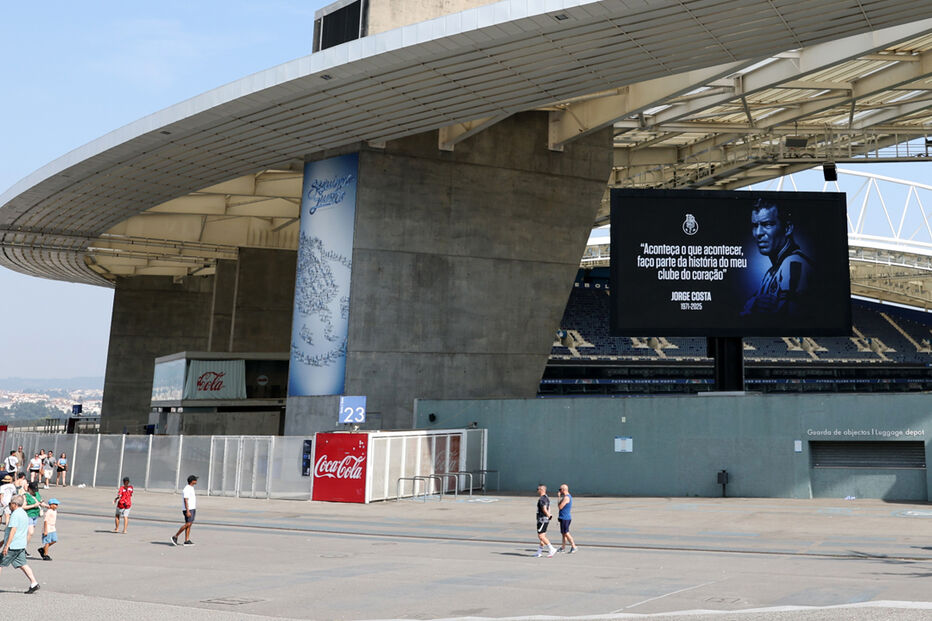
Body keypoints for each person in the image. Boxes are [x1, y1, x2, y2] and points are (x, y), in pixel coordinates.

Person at [741, 197, 814, 318]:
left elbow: (790, 320)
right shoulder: (771, 272)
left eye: (767, 224)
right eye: (755, 225)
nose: (758, 233)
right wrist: (752, 305)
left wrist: (752, 308)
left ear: (787, 228)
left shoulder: (794, 264)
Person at [0, 495, 40, 593]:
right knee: (23, 564)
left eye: (10, 504)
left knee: (0, 563)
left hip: (13, 545)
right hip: (21, 544)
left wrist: (6, 545)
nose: (9, 506)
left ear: (14, 504)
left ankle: (34, 583)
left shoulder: (15, 514)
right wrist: (2, 542)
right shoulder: (23, 513)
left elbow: (13, 530)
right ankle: (34, 583)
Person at [171, 475, 198, 546]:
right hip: (188, 509)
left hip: (192, 508)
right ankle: (175, 536)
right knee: (188, 524)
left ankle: (187, 540)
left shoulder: (191, 488)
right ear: (192, 481)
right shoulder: (187, 489)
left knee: (189, 524)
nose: (196, 481)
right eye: (195, 480)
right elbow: (185, 500)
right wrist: (188, 511)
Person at [22, 482, 45, 551]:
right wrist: (33, 505)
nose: (34, 492)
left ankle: (23, 548)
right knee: (30, 532)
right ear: (29, 489)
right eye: (33, 490)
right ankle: (23, 549)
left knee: (29, 533)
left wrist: (47, 506)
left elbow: (40, 502)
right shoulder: (25, 496)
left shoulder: (37, 494)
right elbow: (23, 507)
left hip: (35, 515)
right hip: (28, 515)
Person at [534, 484, 556, 558]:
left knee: (541, 536)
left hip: (542, 519)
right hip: (544, 519)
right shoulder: (546, 498)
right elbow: (548, 507)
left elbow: (544, 508)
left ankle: (551, 548)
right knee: (543, 536)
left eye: (538, 489)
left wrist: (548, 515)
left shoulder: (542, 499)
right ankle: (539, 552)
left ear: (542, 490)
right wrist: (549, 514)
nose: (537, 490)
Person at [557, 484, 578, 553]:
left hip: (565, 518)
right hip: (564, 517)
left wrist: (559, 497)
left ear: (563, 490)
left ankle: (574, 546)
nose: (560, 491)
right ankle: (563, 547)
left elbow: (560, 507)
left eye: (560, 490)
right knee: (563, 533)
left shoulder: (566, 497)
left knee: (566, 533)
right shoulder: (567, 497)